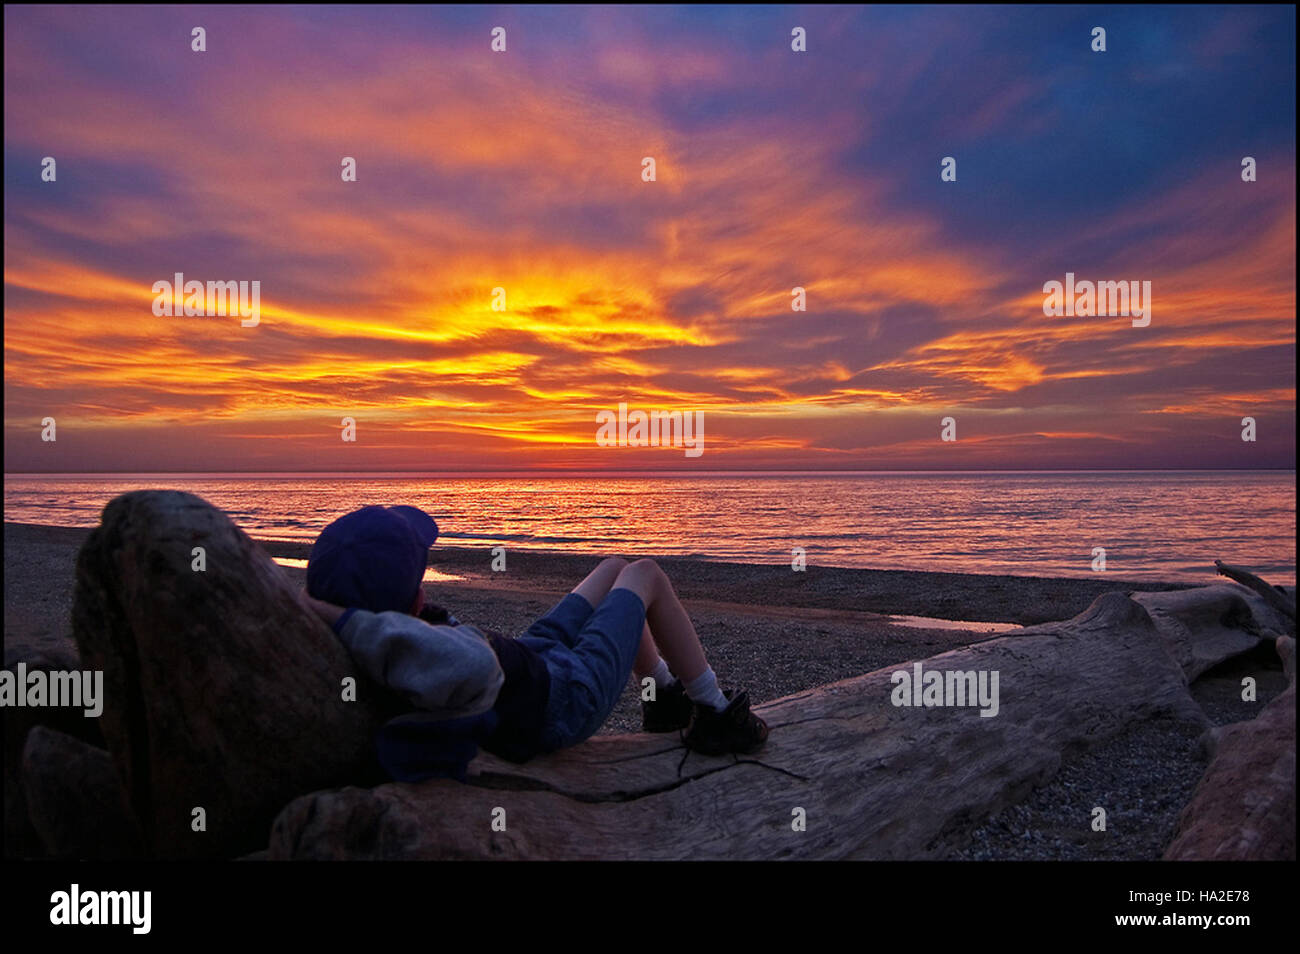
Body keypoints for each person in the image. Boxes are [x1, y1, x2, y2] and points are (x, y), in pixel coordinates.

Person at [301, 505, 768, 781]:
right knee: (644, 574)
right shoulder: (414, 651)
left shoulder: (392, 641)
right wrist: (343, 618)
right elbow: (476, 666)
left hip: (535, 657)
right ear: (415, 599)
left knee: (614, 566)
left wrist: (319, 607)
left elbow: (402, 635)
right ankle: (713, 711)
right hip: (566, 698)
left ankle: (664, 697)